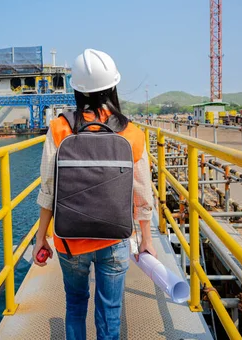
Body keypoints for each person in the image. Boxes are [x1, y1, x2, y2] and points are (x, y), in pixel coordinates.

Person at [32, 49, 156, 340]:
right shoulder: (131, 133)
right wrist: (146, 240)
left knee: (75, 305)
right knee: (109, 310)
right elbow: (141, 192)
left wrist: (41, 237)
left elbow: (48, 187)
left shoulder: (60, 127)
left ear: (76, 89)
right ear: (113, 86)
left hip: (69, 240)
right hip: (114, 238)